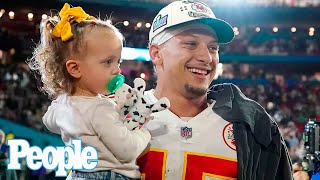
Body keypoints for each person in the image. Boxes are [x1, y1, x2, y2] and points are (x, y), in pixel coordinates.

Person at [136, 0, 293, 179]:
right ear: (156, 54)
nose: (206, 57)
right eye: (190, 43)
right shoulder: (116, 117)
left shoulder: (253, 129)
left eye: (213, 47)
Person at [28, 3, 152, 180]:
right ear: (75, 69)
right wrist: (144, 131)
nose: (117, 70)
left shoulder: (62, 104)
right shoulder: (99, 110)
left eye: (118, 62)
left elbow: (49, 122)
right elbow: (127, 151)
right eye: (108, 62)